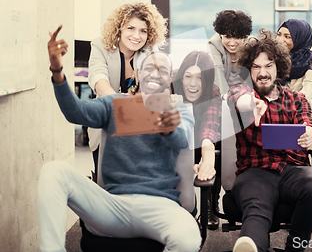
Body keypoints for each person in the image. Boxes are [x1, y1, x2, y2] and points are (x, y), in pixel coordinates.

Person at [39, 26, 200, 252]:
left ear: (170, 78)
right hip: (112, 205)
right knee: (53, 171)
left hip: (159, 205)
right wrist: (57, 71)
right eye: (148, 68)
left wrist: (168, 127)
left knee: (189, 238)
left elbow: (182, 138)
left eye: (162, 69)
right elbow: (74, 112)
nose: (155, 72)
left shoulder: (177, 110)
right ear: (137, 74)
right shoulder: (114, 103)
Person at [226, 30, 312, 252]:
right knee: (256, 210)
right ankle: (250, 246)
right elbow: (239, 100)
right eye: (256, 67)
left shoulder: (297, 98)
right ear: (248, 70)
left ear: (278, 67)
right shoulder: (240, 93)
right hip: (255, 170)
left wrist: (309, 133)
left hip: (293, 168)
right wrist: (252, 106)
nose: (263, 73)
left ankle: (294, 247)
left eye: (268, 66)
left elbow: (307, 123)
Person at [87, 2, 167, 178]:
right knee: (106, 182)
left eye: (143, 31)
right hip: (107, 125)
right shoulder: (100, 46)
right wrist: (122, 101)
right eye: (130, 28)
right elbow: (99, 81)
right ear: (119, 29)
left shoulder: (149, 52)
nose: (136, 36)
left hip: (138, 128)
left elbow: (156, 85)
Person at [172, 50, 222, 229]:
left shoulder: (213, 93)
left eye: (200, 78)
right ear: (181, 76)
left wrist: (208, 163)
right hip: (174, 139)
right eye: (188, 76)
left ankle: (209, 201)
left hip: (199, 137)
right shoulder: (170, 84)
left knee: (219, 145)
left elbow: (209, 130)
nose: (193, 84)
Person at [276, 19, 312, 187]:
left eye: (287, 36)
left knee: (309, 149)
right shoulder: (273, 56)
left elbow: (311, 85)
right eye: (279, 34)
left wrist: (295, 98)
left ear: (299, 39)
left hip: (300, 109)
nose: (281, 39)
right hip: (275, 109)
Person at [208, 9, 252, 96]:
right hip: (224, 96)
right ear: (220, 34)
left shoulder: (251, 44)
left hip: (249, 95)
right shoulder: (214, 44)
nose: (232, 43)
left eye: (237, 37)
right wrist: (227, 100)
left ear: (244, 36)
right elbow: (218, 73)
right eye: (227, 37)